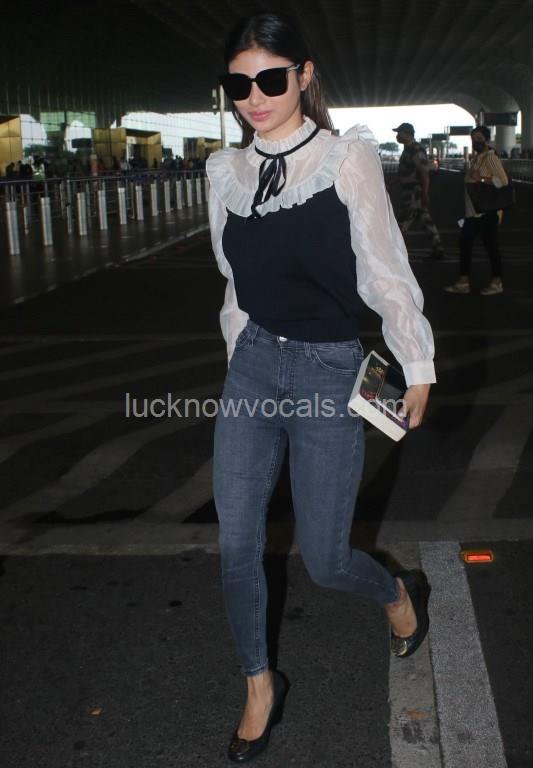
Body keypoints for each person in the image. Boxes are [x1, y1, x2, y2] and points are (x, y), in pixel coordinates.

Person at [207, 13, 435, 763]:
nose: (254, 97)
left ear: (304, 75)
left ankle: (395, 593)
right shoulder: (224, 172)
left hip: (328, 369)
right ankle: (258, 684)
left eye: (270, 79)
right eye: (239, 84)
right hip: (253, 369)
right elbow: (234, 281)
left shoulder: (345, 158)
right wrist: (240, 359)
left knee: (326, 559)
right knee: (236, 543)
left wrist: (416, 361)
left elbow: (383, 265)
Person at [445, 126, 508, 295]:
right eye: (473, 139)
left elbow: (503, 181)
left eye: (479, 138)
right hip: (474, 212)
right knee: (466, 243)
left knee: (489, 246)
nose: (476, 141)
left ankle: (496, 282)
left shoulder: (490, 157)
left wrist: (481, 179)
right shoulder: (477, 158)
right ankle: (464, 282)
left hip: (487, 211)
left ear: (487, 139)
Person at [394, 122, 444, 260]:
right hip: (413, 191)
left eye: (399, 133)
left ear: (407, 134)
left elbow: (424, 172)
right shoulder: (409, 149)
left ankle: (395, 252)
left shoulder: (415, 149)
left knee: (402, 222)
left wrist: (424, 193)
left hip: (413, 193)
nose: (397, 136)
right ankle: (437, 248)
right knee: (425, 221)